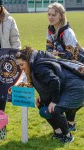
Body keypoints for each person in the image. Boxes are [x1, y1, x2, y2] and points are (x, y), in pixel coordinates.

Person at [16, 47, 84, 143]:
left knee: (55, 110)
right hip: (67, 86)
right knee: (42, 105)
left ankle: (68, 136)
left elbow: (54, 81)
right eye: (19, 66)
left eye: (22, 64)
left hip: (76, 88)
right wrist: (42, 96)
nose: (21, 68)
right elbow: (47, 83)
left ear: (28, 61)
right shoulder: (35, 65)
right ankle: (58, 132)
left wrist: (54, 101)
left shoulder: (38, 68)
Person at [46, 2, 84, 131]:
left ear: (61, 16)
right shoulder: (50, 30)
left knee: (74, 93)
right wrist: (52, 54)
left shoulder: (67, 32)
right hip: (65, 65)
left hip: (78, 65)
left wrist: (59, 54)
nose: (50, 17)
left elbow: (74, 54)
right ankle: (71, 123)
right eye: (49, 14)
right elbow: (48, 48)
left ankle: (70, 123)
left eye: (53, 15)